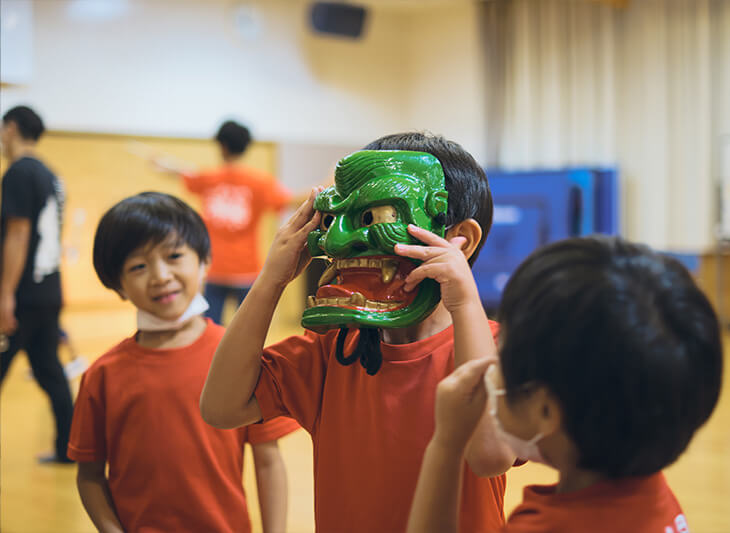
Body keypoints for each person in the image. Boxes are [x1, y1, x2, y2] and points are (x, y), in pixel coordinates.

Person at [201, 132, 516, 533]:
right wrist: (271, 281)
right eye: (334, 220)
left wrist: (466, 304)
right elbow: (222, 407)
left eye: (376, 215)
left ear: (462, 240)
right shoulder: (331, 352)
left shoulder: (501, 350)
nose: (338, 240)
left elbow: (489, 454)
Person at [407, 236, 724, 533]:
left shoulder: (547, 527)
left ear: (545, 410)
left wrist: (446, 446)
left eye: (501, 350)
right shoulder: (652, 494)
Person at [67, 192, 298, 532]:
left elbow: (267, 461)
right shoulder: (102, 375)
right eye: (138, 266)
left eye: (174, 256)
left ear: (205, 261)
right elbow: (88, 475)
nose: (160, 276)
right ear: (117, 284)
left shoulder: (241, 361)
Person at [155, 120, 297, 324]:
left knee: (211, 331)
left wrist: (164, 165)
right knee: (249, 332)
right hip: (245, 270)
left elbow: (185, 172)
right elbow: (289, 201)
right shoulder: (259, 182)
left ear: (221, 146)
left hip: (215, 269)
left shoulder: (209, 178)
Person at [0, 105, 74, 464]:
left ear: (11, 128)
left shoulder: (17, 172)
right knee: (49, 371)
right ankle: (69, 449)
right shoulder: (51, 175)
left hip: (23, 295)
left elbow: (18, 233)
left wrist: (5, 294)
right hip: (48, 291)